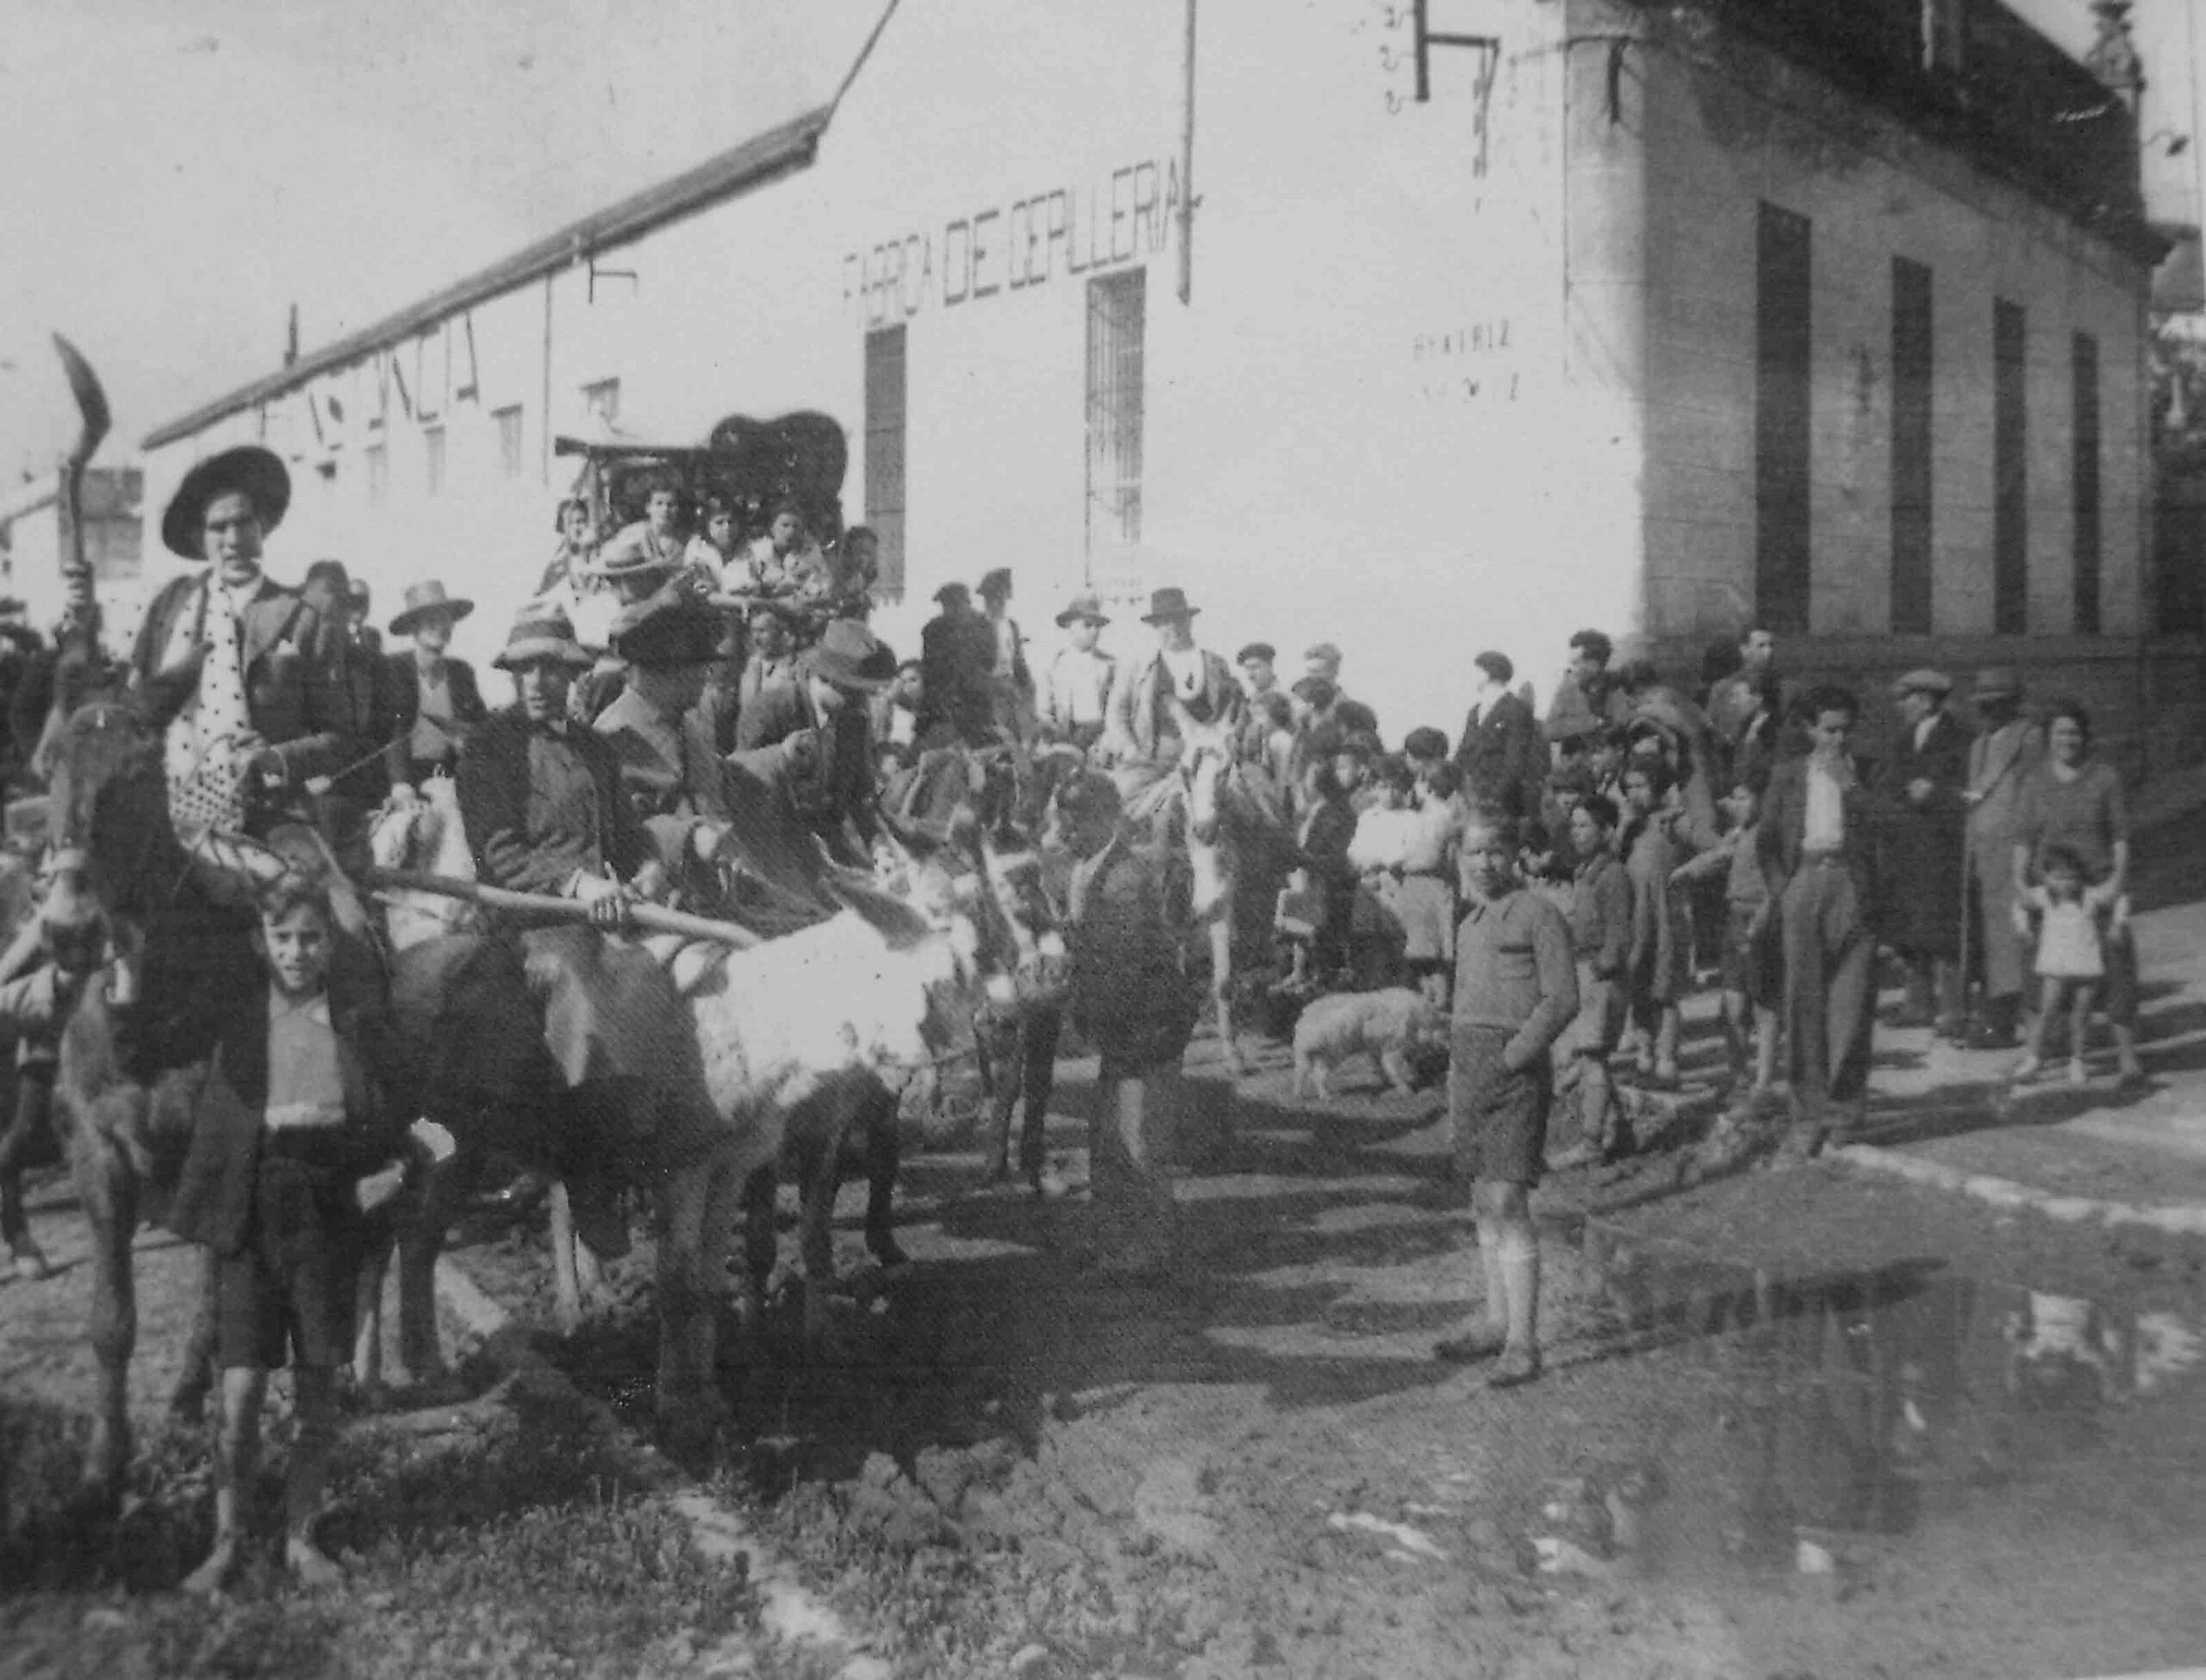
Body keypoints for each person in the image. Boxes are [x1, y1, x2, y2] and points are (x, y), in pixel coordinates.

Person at [165, 876, 416, 1594]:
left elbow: (430, 1122)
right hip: (250, 1216)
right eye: (283, 938)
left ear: (330, 945)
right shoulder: (236, 1021)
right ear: (260, 943)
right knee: (240, 1390)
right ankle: (228, 1542)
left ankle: (302, 1539)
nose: (298, 952)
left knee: (317, 1391)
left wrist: (402, 1171)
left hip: (326, 1219)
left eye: (311, 938)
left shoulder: (360, 1029)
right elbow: (149, 1028)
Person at [131, 446, 350, 840]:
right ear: (199, 537)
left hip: (272, 815)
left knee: (312, 877)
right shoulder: (170, 610)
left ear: (262, 526)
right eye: (218, 527)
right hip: (166, 813)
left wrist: (274, 757)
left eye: (244, 523)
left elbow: (340, 737)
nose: (233, 539)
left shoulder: (302, 615)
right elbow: (134, 711)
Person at [1432, 812, 1575, 1386]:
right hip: (1468, 1068)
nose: (1484, 864)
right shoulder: (1469, 923)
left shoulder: (1538, 913)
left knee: (1509, 1198)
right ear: (1459, 858)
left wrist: (1515, 1056)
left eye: (1495, 851)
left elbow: (1562, 999)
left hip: (1514, 1072)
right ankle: (1496, 1322)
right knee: (1481, 1199)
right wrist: (1457, 1067)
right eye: (1473, 853)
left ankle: (1523, 1341)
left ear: (1515, 852)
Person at [1052, 768, 1197, 1280]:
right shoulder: (1090, 868)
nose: (1065, 833)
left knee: (1138, 1143)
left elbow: (1121, 965)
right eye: (1063, 821)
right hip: (1124, 1030)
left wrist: (1073, 1000)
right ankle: (1114, 1240)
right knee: (1109, 1140)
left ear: (1104, 819)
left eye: (1075, 823)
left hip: (1145, 1028)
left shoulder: (1124, 881)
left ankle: (1149, 1249)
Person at [1759, 686, 1881, 1158]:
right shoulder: (1789, 774)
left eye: (1846, 730)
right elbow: (1767, 839)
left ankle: (1845, 1113)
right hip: (1805, 880)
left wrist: (1851, 788)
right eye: (1829, 730)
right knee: (1804, 1005)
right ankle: (1807, 1117)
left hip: (1852, 884)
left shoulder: (1866, 771)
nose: (1838, 739)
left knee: (1851, 1006)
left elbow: (1888, 826)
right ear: (1811, 729)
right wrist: (1784, 891)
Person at [2010, 699, 2142, 1086]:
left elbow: (2120, 837)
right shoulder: (2034, 781)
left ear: (2085, 737)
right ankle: (2036, 1056)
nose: (2067, 740)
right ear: (2048, 738)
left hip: (2096, 890)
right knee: (2040, 977)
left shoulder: (2104, 778)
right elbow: (2022, 840)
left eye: (2074, 733)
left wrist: (2116, 882)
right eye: (2060, 733)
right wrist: (2020, 883)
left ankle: (2128, 1059)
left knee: (2117, 973)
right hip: (2049, 892)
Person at [736, 619, 889, 866]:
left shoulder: (854, 722)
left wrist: (879, 848)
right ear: (825, 677)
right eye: (854, 691)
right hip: (776, 851)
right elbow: (743, 786)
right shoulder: (768, 710)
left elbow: (861, 797)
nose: (862, 703)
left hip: (831, 849)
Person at [1673, 773, 1781, 1107]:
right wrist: (1688, 870)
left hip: (1760, 921)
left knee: (1763, 1005)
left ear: (1762, 801)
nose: (1736, 806)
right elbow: (1719, 856)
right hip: (1735, 919)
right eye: (1733, 799)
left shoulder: (1769, 835)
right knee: (1733, 1005)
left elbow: (1779, 884)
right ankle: (1739, 1076)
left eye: (1743, 798)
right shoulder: (1738, 834)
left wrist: (1764, 917)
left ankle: (1763, 1082)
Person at [1879, 669, 1970, 1038]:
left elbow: (1968, 789)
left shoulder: (1958, 738)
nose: (1901, 706)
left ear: (1928, 699)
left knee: (1944, 929)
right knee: (1910, 925)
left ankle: (1952, 1009)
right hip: (1909, 845)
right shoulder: (1904, 738)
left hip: (1943, 846)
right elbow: (1889, 782)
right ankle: (1917, 1003)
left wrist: (1936, 792)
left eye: (1908, 698)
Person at [1962, 667, 2043, 1049]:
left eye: (1996, 705)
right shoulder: (1979, 744)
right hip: (1980, 855)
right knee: (1988, 943)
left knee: (2017, 940)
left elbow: (2035, 795)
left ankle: (2028, 1024)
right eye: (1983, 705)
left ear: (2013, 705)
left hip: (2014, 853)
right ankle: (1996, 1019)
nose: (1988, 712)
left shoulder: (2029, 739)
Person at [1101, 588, 1243, 794]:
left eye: (1178, 620)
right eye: (1165, 622)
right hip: (1152, 761)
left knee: (1237, 796)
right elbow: (1116, 713)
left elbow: (1233, 710)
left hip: (1207, 756)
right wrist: (1129, 747)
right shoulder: (1138, 668)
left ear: (1189, 621)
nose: (1173, 628)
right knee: (1124, 794)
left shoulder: (1215, 664)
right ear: (1155, 626)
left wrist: (1223, 742)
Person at [2009, 845, 2116, 1088]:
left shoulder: (2090, 896)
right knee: (2047, 1013)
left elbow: (2118, 898)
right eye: (2058, 878)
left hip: (2087, 964)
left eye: (2071, 877)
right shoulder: (2043, 897)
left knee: (2081, 1016)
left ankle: (2078, 1061)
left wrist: (2117, 923)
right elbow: (2019, 903)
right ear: (2046, 877)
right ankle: (2034, 1059)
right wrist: (2023, 929)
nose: (2065, 884)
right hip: (2055, 964)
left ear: (2079, 877)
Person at [1619, 758, 1690, 1089]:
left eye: (1641, 786)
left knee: (1665, 990)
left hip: (1665, 913)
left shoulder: (1673, 820)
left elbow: (1702, 840)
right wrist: (1623, 827)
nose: (1634, 794)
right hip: (1635, 915)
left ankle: (1667, 1061)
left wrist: (1687, 871)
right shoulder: (1627, 825)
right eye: (1629, 787)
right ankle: (1644, 1057)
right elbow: (1611, 857)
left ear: (1659, 787)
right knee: (1638, 988)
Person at [385, 580, 488, 793]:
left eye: (445, 618)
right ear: (413, 627)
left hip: (450, 778)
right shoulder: (393, 670)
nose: (440, 626)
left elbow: (480, 730)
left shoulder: (462, 673)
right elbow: (389, 734)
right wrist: (400, 783)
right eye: (430, 619)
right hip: (401, 781)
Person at [1453, 650, 1543, 820]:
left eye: (1475, 670)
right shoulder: (1475, 712)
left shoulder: (1516, 709)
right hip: (1471, 796)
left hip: (1500, 801)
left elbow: (1515, 760)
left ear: (1487, 673)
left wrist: (1495, 797)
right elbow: (1463, 753)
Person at [917, 582, 1000, 747]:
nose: (949, 610)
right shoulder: (933, 629)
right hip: (942, 706)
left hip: (976, 704)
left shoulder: (984, 627)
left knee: (979, 751)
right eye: (945, 606)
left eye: (954, 604)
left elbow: (989, 663)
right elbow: (930, 670)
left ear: (967, 603)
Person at [1041, 591, 1117, 750]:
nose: (1094, 631)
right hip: (1066, 736)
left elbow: (1118, 710)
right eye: (1087, 625)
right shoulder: (1055, 665)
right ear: (1070, 627)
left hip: (1100, 737)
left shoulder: (1109, 665)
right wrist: (1053, 736)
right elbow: (1044, 711)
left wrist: (1107, 739)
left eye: (1097, 626)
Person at [732, 599, 803, 750]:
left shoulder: (796, 668)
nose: (756, 639)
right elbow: (746, 709)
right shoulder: (752, 665)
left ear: (782, 633)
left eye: (762, 631)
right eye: (753, 631)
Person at [975, 568, 1035, 742]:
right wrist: (992, 685)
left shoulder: (1011, 626)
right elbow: (973, 666)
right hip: (987, 691)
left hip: (1010, 688)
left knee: (1016, 733)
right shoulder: (977, 626)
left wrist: (1027, 686)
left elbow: (1018, 662)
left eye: (1000, 596)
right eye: (991, 597)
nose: (996, 602)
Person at [1705, 625, 1780, 763]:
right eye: (1761, 646)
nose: (1769, 651)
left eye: (1771, 645)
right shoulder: (1722, 688)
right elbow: (1713, 736)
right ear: (1744, 650)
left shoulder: (1784, 689)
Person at [1545, 629, 1629, 744]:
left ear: (1594, 665)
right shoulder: (1567, 688)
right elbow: (1550, 730)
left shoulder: (1615, 687)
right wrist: (1593, 723)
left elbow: (1622, 724)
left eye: (1575, 663)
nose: (1571, 668)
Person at [1301, 642, 1379, 738]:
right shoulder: (1304, 716)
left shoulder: (1354, 713)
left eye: (1317, 672)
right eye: (1310, 672)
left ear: (1334, 671)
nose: (1313, 678)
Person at [869, 658, 926, 768]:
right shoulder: (895, 711)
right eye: (903, 682)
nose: (908, 686)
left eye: (913, 680)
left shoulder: (928, 714)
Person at [539, 497, 598, 599]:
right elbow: (544, 592)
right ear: (563, 527)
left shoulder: (596, 551)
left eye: (581, 521)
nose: (576, 528)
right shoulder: (559, 561)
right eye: (570, 523)